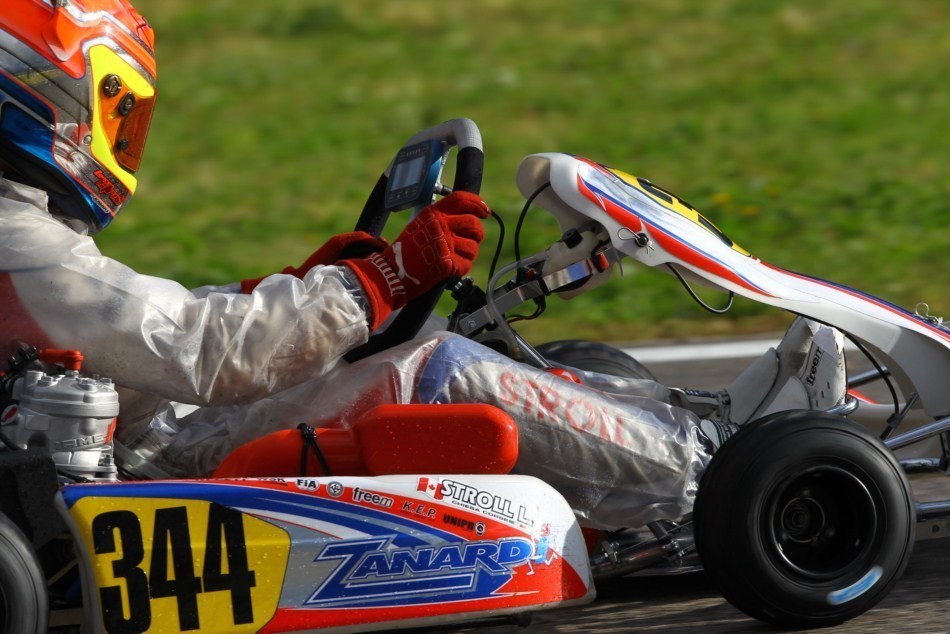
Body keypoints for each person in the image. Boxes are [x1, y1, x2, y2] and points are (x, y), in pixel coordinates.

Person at [0, 0, 845, 531]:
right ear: (50, 103)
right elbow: (207, 352)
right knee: (429, 367)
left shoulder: (21, 236)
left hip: (127, 449)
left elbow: (130, 341)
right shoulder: (18, 244)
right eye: (117, 110)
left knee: (390, 346)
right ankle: (718, 470)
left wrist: (276, 291)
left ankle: (658, 439)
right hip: (148, 479)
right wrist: (384, 281)